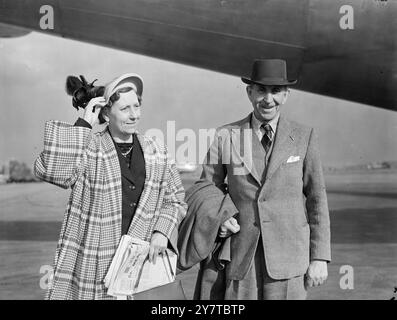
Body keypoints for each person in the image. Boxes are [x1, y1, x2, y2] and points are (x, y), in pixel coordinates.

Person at [34, 73, 187, 300]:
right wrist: (84, 125)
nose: (134, 115)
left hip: (142, 263)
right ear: (106, 112)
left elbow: (175, 199)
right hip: (94, 263)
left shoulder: (157, 150)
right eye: (125, 109)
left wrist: (162, 231)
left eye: (137, 106)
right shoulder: (89, 147)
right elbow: (52, 171)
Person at [196, 59, 331, 299]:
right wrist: (222, 219)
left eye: (276, 91)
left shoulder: (304, 136)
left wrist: (319, 256)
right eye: (261, 90)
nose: (268, 99)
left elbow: (317, 199)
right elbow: (207, 189)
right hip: (240, 259)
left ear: (286, 95)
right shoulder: (225, 135)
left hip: (290, 262)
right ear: (250, 92)